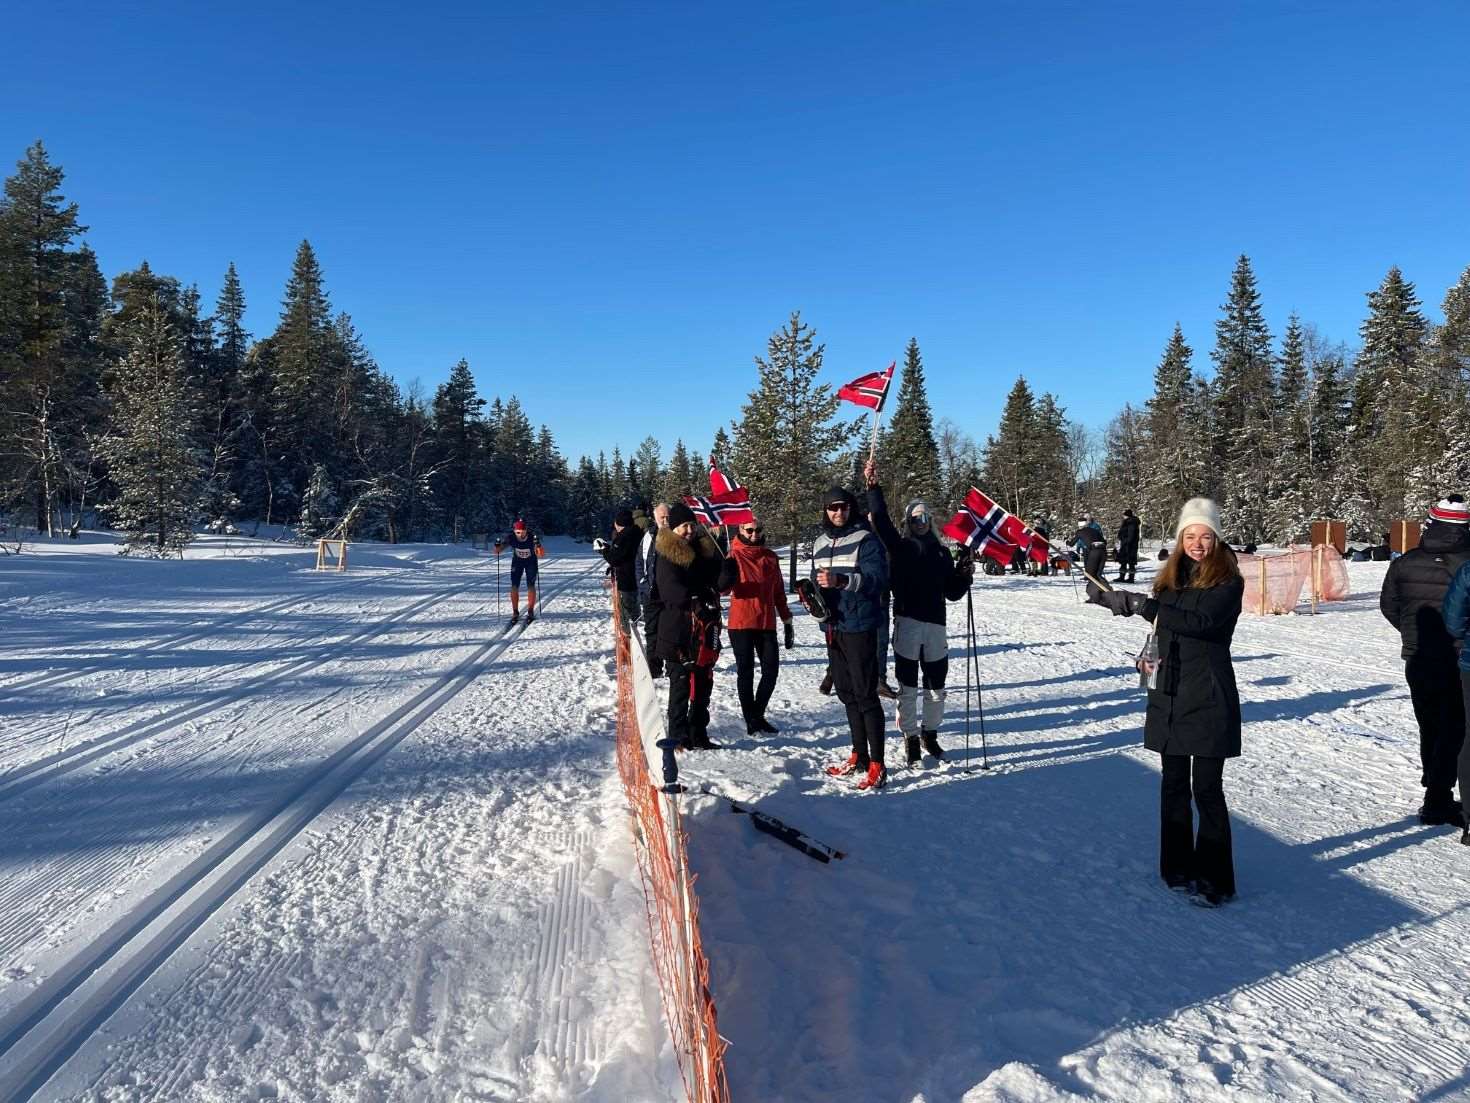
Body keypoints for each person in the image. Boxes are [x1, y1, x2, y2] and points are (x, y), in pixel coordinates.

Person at [1091, 497, 1244, 906]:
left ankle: (1215, 879)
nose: (1197, 543)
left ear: (1217, 538)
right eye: (1190, 536)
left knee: (1206, 789)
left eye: (1205, 536)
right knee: (1173, 785)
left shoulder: (1228, 580)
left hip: (1208, 695)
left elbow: (1202, 624)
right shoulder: (1170, 578)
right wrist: (1123, 609)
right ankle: (1176, 867)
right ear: (1180, 539)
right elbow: (1162, 627)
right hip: (1170, 691)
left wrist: (1144, 606)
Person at [863, 460, 975, 764]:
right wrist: (873, 486)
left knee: (937, 687)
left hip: (935, 626)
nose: (921, 521)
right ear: (908, 522)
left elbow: (951, 593)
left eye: (925, 516)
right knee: (908, 686)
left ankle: (930, 733)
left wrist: (963, 576)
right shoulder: (900, 548)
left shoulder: (940, 553)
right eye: (915, 517)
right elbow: (881, 520)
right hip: (908, 623)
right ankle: (910, 736)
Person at [1381, 497, 1470, 829]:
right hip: (1460, 658)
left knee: (1430, 723)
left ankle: (1435, 786)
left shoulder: (1405, 562)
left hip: (1419, 655)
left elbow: (1389, 605)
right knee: (1457, 729)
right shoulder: (1467, 563)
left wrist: (1412, 634)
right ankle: (1438, 797)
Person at [808, 485, 890, 790]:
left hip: (860, 626)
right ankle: (859, 754)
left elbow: (878, 580)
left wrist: (842, 580)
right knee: (846, 693)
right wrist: (811, 598)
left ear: (851, 508)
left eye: (843, 507)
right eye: (832, 507)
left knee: (865, 694)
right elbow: (821, 585)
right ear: (825, 511)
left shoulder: (865, 539)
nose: (838, 512)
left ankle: (878, 764)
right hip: (833, 627)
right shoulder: (819, 543)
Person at [654, 503, 724, 751]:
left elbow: (716, 582)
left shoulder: (703, 552)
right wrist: (696, 599)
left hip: (703, 630)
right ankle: (678, 737)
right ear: (674, 528)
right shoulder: (666, 554)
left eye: (691, 525)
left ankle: (698, 732)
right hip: (677, 632)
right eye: (684, 526)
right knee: (681, 687)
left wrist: (726, 573)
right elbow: (671, 591)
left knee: (703, 683)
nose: (689, 530)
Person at [718, 515, 795, 735]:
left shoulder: (770, 557)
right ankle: (751, 719)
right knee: (746, 672)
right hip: (741, 623)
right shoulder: (733, 555)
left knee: (771, 670)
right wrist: (726, 575)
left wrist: (787, 620)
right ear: (740, 530)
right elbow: (722, 590)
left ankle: (757, 714)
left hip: (766, 623)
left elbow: (778, 591)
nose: (754, 534)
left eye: (757, 530)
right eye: (749, 530)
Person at [636, 502, 671, 677]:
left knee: (670, 632)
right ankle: (654, 669)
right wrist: (643, 584)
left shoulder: (676, 535)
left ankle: (671, 667)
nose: (665, 520)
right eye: (661, 517)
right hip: (651, 593)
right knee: (652, 633)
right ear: (655, 518)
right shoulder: (649, 536)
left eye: (667, 517)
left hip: (670, 595)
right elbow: (639, 562)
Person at [599, 508, 642, 636]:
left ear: (619, 523)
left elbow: (615, 558)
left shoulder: (624, 536)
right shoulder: (637, 532)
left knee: (628, 611)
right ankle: (632, 633)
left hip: (627, 579)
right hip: (637, 577)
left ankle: (629, 637)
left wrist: (604, 551)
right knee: (634, 608)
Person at [494, 518, 544, 625]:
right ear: (514, 531)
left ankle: (530, 610)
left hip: (531, 563)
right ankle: (515, 612)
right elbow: (498, 551)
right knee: (514, 586)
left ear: (526, 531)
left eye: (522, 532)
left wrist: (538, 546)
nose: (520, 534)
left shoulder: (531, 538)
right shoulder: (511, 537)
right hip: (517, 563)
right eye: (517, 532)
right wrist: (498, 546)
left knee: (531, 585)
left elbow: (541, 555)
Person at [1074, 513, 1108, 591]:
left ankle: (1094, 577)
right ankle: (1087, 575)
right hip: (1085, 547)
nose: (1086, 520)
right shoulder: (1083, 527)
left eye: (1087, 519)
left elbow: (1098, 536)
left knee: (1093, 563)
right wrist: (1078, 546)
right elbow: (1080, 538)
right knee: (1086, 562)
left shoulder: (1095, 526)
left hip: (1093, 547)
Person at [1117, 508, 1141, 583]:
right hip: (1126, 545)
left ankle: (1131, 578)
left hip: (1130, 546)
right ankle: (1122, 577)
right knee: (1124, 561)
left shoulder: (1131, 523)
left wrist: (1125, 541)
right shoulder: (1128, 522)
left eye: (1124, 515)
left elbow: (1131, 535)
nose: (1123, 516)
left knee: (1131, 562)